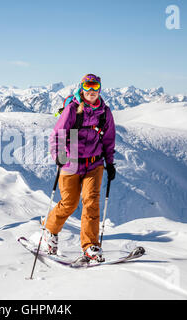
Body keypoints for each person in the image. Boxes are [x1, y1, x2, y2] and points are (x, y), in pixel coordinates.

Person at [44, 74, 116, 263]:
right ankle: (50, 230)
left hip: (94, 163)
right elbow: (56, 135)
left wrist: (110, 162)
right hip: (71, 162)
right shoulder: (73, 110)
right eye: (88, 87)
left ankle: (90, 246)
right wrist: (58, 156)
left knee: (91, 202)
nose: (91, 91)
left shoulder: (105, 113)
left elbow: (108, 140)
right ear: (82, 88)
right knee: (69, 203)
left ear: (100, 89)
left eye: (95, 87)